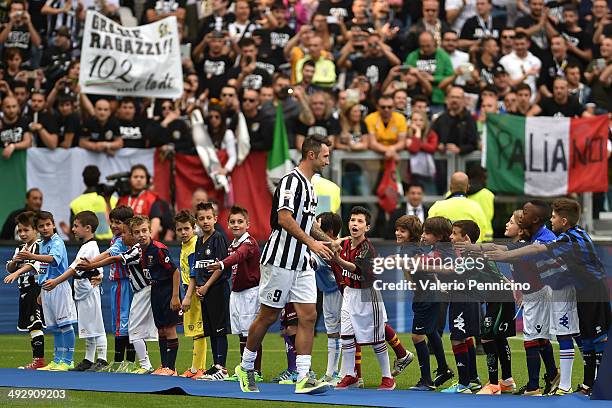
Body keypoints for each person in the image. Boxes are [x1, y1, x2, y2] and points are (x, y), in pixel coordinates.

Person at [235, 136, 337, 394]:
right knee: (268, 315)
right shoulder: (291, 181)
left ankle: (303, 377)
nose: (328, 160)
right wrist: (313, 244)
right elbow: (284, 219)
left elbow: (307, 222)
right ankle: (245, 367)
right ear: (311, 155)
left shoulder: (311, 187)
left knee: (309, 316)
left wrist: (328, 241)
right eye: (325, 155)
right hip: (280, 259)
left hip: (301, 262)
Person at [334, 206, 395, 391]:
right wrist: (335, 244)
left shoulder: (367, 248)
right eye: (353, 220)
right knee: (346, 336)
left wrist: (337, 258)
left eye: (360, 221)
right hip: (350, 294)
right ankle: (350, 375)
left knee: (377, 338)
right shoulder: (344, 244)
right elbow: (334, 244)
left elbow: (355, 268)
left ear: (367, 227)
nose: (355, 223)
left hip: (368, 295)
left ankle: (388, 377)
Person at [42, 211, 107, 372]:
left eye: (76, 226)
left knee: (96, 324)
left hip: (88, 289)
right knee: (87, 325)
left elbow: (73, 268)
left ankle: (102, 358)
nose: (73, 229)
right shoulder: (86, 247)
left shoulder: (90, 247)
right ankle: (88, 359)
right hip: (82, 290)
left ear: (88, 228)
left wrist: (56, 281)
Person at [207, 206, 262, 381]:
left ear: (248, 224)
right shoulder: (232, 244)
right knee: (241, 334)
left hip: (250, 293)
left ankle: (256, 372)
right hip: (236, 293)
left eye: (240, 221)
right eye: (232, 222)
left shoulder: (249, 243)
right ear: (228, 225)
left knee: (251, 334)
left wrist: (222, 264)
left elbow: (239, 256)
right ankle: (244, 370)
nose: (236, 225)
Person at [17, 211, 76, 371]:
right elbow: (43, 270)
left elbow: (53, 259)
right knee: (54, 327)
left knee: (65, 325)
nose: (45, 228)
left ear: (53, 224)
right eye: (41, 226)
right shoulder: (42, 244)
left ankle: (68, 359)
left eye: (48, 225)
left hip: (58, 286)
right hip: (46, 289)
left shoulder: (57, 242)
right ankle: (57, 360)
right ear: (37, 228)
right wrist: (41, 292)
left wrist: (32, 256)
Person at [80, 205, 136, 371]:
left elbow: (109, 256)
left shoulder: (122, 240)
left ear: (127, 224)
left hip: (124, 282)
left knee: (123, 321)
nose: (113, 225)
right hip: (117, 284)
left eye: (117, 222)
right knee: (119, 321)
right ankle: (121, 361)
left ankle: (126, 361)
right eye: (111, 221)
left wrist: (91, 264)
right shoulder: (116, 238)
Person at [405, 216, 453, 391]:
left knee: (417, 336)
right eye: (423, 231)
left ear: (439, 236)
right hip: (432, 294)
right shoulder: (435, 249)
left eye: (428, 233)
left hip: (430, 296)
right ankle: (443, 368)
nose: (424, 236)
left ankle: (426, 380)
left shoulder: (439, 251)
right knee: (432, 331)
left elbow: (429, 264)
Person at [129, 216, 181, 376]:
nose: (141, 235)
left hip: (167, 291)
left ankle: (171, 368)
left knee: (170, 328)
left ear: (150, 231)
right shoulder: (141, 251)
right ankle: (164, 365)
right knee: (161, 329)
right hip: (155, 291)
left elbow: (175, 271)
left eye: (144, 230)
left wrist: (175, 296)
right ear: (133, 235)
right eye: (137, 232)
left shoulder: (158, 249)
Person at [189, 202, 230, 380]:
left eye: (208, 218)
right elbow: (199, 267)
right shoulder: (199, 241)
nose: (205, 221)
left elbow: (220, 266)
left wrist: (206, 286)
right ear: (196, 221)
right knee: (211, 330)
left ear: (215, 218)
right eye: (201, 218)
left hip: (217, 290)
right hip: (204, 292)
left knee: (219, 330)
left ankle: (222, 367)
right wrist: (199, 286)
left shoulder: (218, 238)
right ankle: (215, 365)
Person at [3, 211, 45, 369]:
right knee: (30, 326)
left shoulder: (38, 246)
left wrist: (17, 271)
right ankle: (37, 359)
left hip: (35, 289)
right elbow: (10, 266)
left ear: (35, 230)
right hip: (24, 291)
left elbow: (34, 265)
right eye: (20, 230)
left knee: (36, 324)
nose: (22, 233)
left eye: (26, 230)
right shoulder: (21, 248)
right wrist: (14, 263)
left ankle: (40, 360)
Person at [175, 210, 207, 379]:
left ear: (194, 228)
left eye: (186, 228)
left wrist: (187, 296)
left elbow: (193, 274)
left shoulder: (195, 246)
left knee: (199, 330)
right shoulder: (185, 246)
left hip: (194, 293)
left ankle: (198, 369)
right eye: (179, 229)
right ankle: (196, 368)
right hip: (188, 290)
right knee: (195, 330)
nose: (183, 233)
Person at [428, 172, 489, 242]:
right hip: (469, 251)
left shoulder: (437, 206)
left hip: (442, 251)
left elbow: (429, 231)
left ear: (450, 186)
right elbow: (481, 232)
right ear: (468, 187)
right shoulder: (476, 207)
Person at [68, 165, 117, 240]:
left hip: (88, 244)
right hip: (111, 245)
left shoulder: (75, 203)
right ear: (98, 179)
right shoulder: (112, 200)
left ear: (84, 180)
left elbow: (74, 232)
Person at [117, 164, 165, 240]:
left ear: (147, 180)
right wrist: (107, 201)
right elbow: (115, 221)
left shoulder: (152, 198)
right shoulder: (122, 199)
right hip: (124, 243)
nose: (139, 179)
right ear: (130, 179)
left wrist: (147, 239)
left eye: (142, 177)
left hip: (144, 244)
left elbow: (156, 221)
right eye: (135, 177)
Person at [1, 95, 32, 160]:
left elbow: (28, 142)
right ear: (2, 108)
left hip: (20, 162)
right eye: (8, 107)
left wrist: (13, 146)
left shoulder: (24, 121)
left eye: (14, 106)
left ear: (18, 107)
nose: (11, 110)